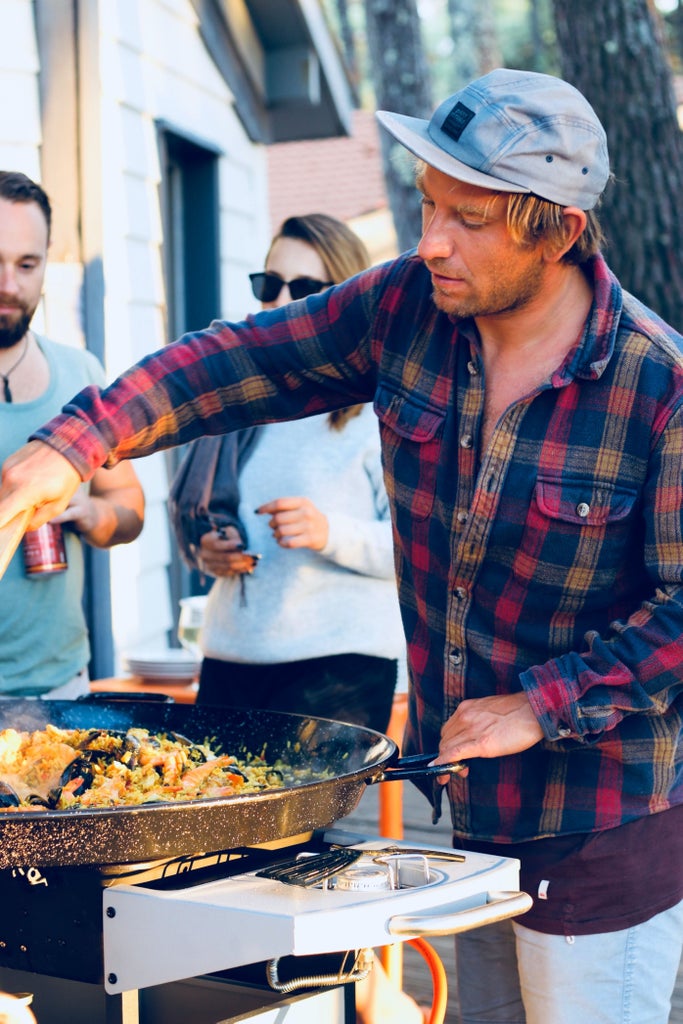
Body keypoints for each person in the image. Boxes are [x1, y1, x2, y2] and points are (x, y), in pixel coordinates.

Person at [0, 67, 681, 1023]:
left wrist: (539, 704)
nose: (431, 241)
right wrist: (70, 448)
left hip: (602, 827)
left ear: (560, 232)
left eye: (470, 219)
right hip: (469, 814)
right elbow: (237, 360)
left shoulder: (657, 388)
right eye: (426, 205)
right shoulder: (406, 308)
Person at [179, 213, 404, 733]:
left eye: (303, 288)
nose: (279, 303)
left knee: (298, 819)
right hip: (232, 657)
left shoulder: (378, 411)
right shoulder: (235, 403)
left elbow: (423, 548)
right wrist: (208, 553)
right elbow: (196, 516)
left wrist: (330, 533)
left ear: (344, 299)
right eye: (269, 285)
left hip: (338, 668)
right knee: (210, 813)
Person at [0, 171, 144, 698]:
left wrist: (95, 516)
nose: (9, 286)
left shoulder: (79, 373)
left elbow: (129, 504)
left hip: (62, 689)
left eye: (26, 265)